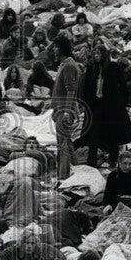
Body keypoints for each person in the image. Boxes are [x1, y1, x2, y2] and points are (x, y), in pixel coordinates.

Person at [51, 35, 82, 180]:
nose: (53, 49)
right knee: (67, 143)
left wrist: (67, 111)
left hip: (64, 110)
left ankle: (63, 176)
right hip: (60, 109)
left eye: (56, 46)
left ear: (62, 48)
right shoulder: (64, 64)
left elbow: (71, 90)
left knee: (62, 145)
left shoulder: (69, 65)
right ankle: (77, 171)